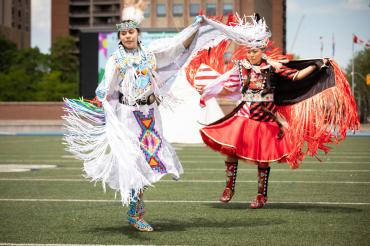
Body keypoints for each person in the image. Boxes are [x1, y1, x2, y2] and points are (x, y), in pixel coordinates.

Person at [185, 14, 359, 209]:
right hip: (243, 115)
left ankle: (261, 195)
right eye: (248, 51)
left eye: (254, 51)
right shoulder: (241, 67)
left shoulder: (273, 68)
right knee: (230, 150)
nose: (250, 55)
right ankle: (229, 187)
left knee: (263, 158)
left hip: (266, 118)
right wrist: (207, 90)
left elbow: (296, 76)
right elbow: (224, 82)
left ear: (262, 50)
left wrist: (316, 65)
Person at [63, 1, 204, 232]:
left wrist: (195, 29)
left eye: (131, 32)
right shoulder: (115, 60)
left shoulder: (150, 55)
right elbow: (106, 86)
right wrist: (99, 101)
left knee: (148, 161)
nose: (128, 36)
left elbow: (177, 49)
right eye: (124, 33)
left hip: (150, 115)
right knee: (133, 162)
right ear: (120, 37)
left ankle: (136, 209)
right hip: (128, 115)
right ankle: (135, 212)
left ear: (138, 34)